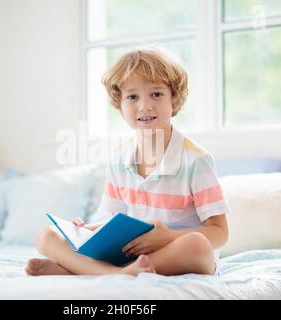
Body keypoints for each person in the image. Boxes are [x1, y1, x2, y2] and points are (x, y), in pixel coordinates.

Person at [26, 46, 230, 276]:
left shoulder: (196, 159)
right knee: (45, 236)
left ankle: (87, 271)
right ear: (120, 106)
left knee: (197, 245)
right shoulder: (118, 157)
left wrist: (167, 237)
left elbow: (219, 232)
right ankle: (116, 274)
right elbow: (113, 221)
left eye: (156, 94)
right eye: (132, 97)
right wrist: (83, 230)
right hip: (129, 254)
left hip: (176, 252)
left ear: (174, 98)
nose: (144, 105)